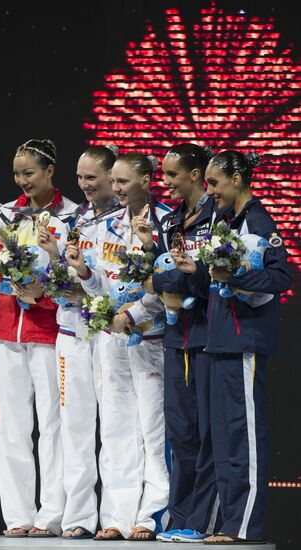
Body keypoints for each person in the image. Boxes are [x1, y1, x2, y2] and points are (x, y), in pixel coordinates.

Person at [172, 150, 291, 544]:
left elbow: (280, 276)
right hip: (219, 339)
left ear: (237, 180)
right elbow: (219, 279)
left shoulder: (258, 221)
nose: (209, 191)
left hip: (245, 342)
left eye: (214, 183)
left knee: (245, 438)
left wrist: (237, 276)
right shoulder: (224, 222)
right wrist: (197, 271)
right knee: (224, 438)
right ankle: (224, 522)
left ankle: (243, 527)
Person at [67, 152, 171, 541]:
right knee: (115, 429)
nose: (116, 189)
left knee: (153, 431)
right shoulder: (106, 226)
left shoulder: (166, 223)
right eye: (114, 182)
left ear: (146, 179)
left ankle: (150, 515)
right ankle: (117, 515)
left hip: (152, 340)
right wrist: (83, 271)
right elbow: (100, 290)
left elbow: (167, 286)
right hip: (112, 342)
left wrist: (133, 315)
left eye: (123, 182)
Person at [0, 139, 76, 538]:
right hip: (6, 329)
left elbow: (72, 272)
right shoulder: (5, 214)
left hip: (48, 330)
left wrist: (45, 296)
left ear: (50, 170)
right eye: (17, 174)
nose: (22, 181)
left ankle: (51, 514)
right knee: (12, 425)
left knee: (53, 424)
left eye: (29, 173)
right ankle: (18, 515)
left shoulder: (73, 214)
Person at [129, 143, 221, 543]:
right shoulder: (171, 222)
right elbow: (155, 276)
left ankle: (205, 520)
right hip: (175, 336)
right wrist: (151, 252)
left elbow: (205, 277)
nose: (164, 182)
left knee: (206, 434)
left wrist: (170, 280)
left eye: (171, 175)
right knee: (180, 433)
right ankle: (181, 517)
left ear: (196, 174)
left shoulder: (219, 217)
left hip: (209, 336)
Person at [38, 144, 118, 539]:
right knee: (75, 427)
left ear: (111, 177)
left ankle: (118, 516)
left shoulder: (126, 222)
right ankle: (78, 516)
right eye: (81, 177)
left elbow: (118, 280)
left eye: (93, 178)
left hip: (109, 334)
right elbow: (63, 274)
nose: (85, 185)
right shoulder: (75, 220)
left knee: (117, 426)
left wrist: (89, 291)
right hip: (71, 332)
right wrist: (53, 257)